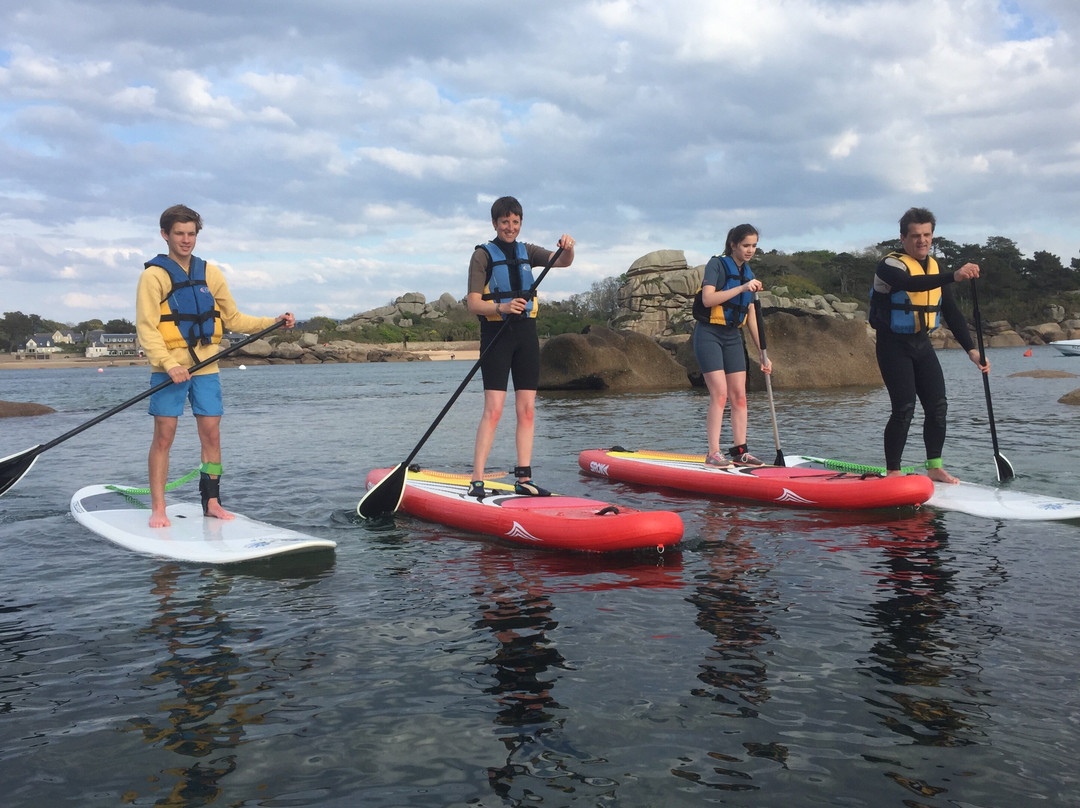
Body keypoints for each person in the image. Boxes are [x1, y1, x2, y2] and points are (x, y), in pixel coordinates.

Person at [136, 204, 295, 528]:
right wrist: (168, 364)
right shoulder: (153, 276)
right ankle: (159, 508)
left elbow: (233, 318)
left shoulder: (211, 273)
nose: (186, 240)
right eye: (179, 233)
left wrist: (273, 322)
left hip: (206, 368)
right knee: (164, 438)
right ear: (165, 234)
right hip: (170, 370)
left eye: (191, 233)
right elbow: (146, 328)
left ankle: (211, 502)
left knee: (212, 436)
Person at [870, 207, 988, 484]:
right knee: (904, 408)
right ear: (903, 238)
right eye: (915, 236)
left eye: (926, 235)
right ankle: (893, 472)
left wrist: (971, 349)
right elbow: (911, 283)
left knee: (938, 407)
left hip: (922, 345)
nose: (921, 241)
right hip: (892, 346)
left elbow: (951, 311)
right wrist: (954, 275)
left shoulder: (934, 267)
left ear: (932, 235)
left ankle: (934, 466)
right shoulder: (888, 266)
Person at [466, 196, 575, 498]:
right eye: (505, 222)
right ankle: (477, 479)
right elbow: (473, 303)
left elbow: (563, 261)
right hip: (496, 335)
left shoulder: (529, 251)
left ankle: (524, 478)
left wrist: (569, 247)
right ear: (495, 224)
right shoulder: (482, 256)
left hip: (526, 335)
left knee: (527, 411)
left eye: (515, 222)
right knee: (494, 410)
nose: (510, 228)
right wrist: (501, 306)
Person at [691, 223, 772, 467]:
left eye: (754, 246)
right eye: (746, 245)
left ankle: (740, 451)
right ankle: (713, 452)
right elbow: (707, 299)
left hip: (732, 337)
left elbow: (751, 316)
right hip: (709, 334)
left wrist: (762, 353)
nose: (750, 250)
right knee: (720, 394)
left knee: (740, 397)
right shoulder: (717, 264)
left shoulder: (748, 273)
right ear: (733, 244)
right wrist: (742, 287)